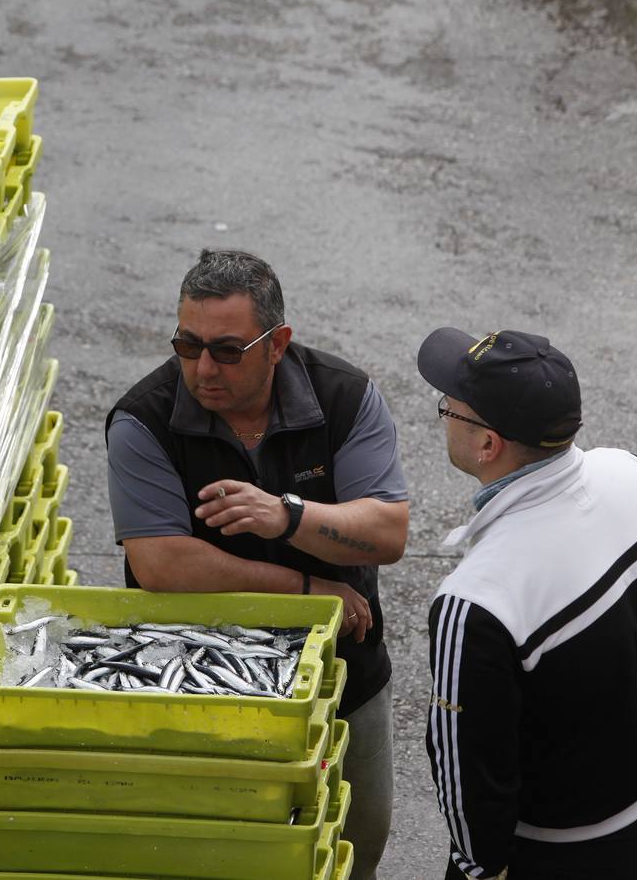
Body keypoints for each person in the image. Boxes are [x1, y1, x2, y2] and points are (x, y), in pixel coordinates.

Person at [106, 249, 409, 880]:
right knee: (215, 856)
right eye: (187, 346)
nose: (203, 368)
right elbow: (161, 563)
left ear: (278, 344)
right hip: (196, 683)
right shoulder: (144, 420)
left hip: (340, 674)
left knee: (355, 842)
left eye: (227, 349)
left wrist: (288, 516)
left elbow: (386, 531)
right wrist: (305, 588)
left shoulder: (345, 397)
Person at [417, 327, 637, 880]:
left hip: (560, 850)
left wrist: (480, 868)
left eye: (450, 408)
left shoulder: (475, 601)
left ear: (487, 443)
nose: (444, 410)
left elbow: (468, 773)